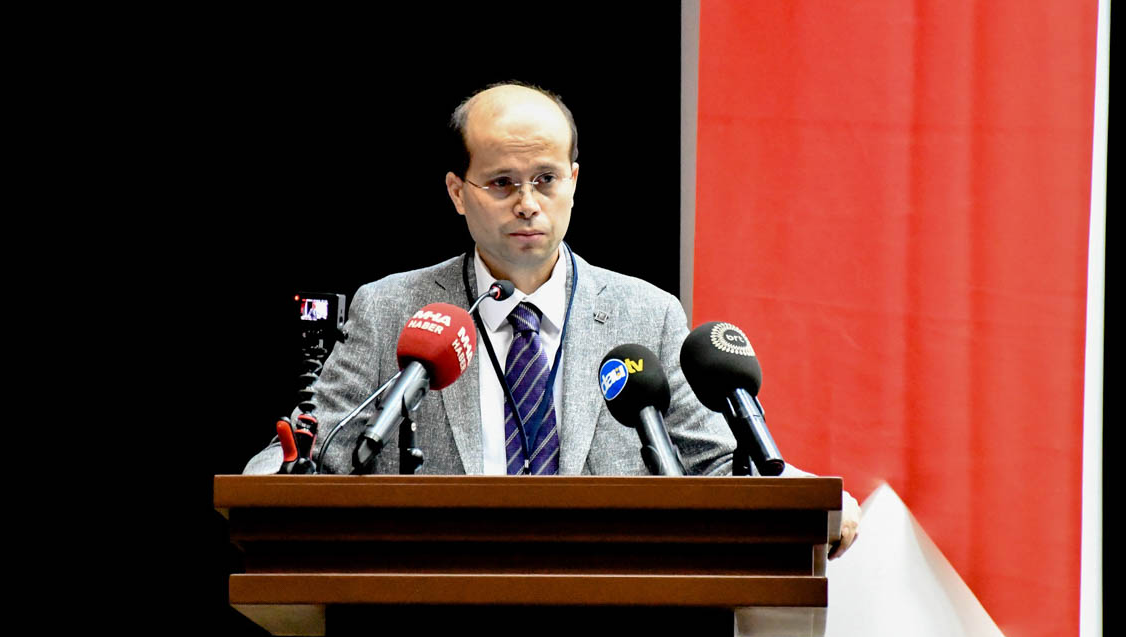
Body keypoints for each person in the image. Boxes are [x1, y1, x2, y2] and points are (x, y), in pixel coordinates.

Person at [245, 82, 859, 558]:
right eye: (502, 183)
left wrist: (806, 496)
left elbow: (717, 467)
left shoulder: (647, 314)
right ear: (457, 192)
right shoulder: (390, 309)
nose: (527, 204)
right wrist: (267, 486)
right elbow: (311, 451)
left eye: (545, 180)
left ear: (574, 180)